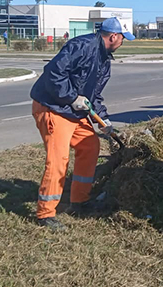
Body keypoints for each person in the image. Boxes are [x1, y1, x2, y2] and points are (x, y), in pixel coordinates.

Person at [29, 17, 134, 231]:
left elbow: (94, 96)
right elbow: (53, 75)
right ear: (113, 36)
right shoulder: (82, 46)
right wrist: (71, 98)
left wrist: (104, 120)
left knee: (90, 146)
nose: (123, 42)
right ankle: (45, 213)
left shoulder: (104, 60)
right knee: (59, 158)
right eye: (123, 38)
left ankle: (79, 201)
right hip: (52, 107)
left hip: (73, 112)